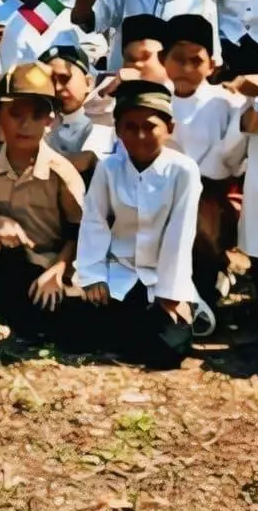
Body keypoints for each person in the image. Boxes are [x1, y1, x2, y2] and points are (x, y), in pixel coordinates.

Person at [68, 82, 212, 368]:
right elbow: (94, 221)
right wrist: (93, 274)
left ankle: (179, 312)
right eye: (130, 127)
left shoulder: (183, 170)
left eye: (150, 126)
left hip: (160, 276)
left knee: (169, 350)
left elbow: (180, 234)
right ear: (118, 130)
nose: (140, 136)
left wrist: (171, 295)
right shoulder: (109, 168)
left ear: (169, 127)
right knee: (75, 332)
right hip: (119, 272)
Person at [0, 64, 85, 334]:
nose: (25, 125)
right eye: (15, 114)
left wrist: (59, 269)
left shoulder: (60, 172)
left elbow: (81, 231)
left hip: (50, 264)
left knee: (64, 324)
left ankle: (17, 305)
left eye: (37, 115)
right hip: (8, 259)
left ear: (50, 121)